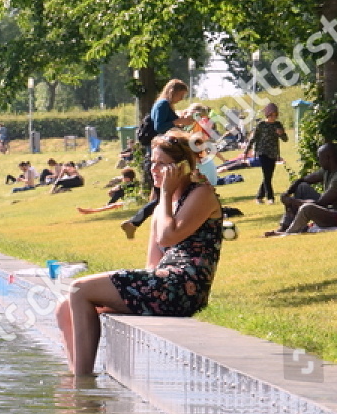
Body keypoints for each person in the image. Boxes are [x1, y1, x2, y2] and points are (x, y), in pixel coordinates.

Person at [57, 131, 223, 376]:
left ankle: (82, 383)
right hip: (163, 284)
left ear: (183, 167)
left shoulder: (201, 194)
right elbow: (153, 265)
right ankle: (77, 376)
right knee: (64, 307)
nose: (154, 169)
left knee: (79, 289)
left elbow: (169, 236)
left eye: (162, 164)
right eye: (152, 163)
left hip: (184, 289)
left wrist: (165, 193)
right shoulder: (162, 207)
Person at [122, 79, 192, 239]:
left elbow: (168, 126)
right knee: (162, 196)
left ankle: (136, 223)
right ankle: (133, 223)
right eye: (181, 95)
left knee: (160, 196)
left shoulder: (163, 105)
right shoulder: (162, 105)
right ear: (173, 92)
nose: (181, 99)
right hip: (161, 156)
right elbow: (160, 127)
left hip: (161, 155)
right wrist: (178, 121)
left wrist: (181, 123)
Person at [266, 142, 337, 236]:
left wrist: (292, 201)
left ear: (328, 158)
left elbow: (321, 203)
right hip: (329, 209)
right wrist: (288, 192)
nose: (318, 161)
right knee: (302, 187)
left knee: (307, 208)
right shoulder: (328, 170)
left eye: (320, 158)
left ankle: (287, 233)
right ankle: (285, 226)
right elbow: (303, 180)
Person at [244, 103, 288, 204]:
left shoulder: (278, 125)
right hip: (262, 152)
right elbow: (253, 138)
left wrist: (281, 134)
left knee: (268, 176)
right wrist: (246, 151)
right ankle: (270, 198)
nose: (274, 117)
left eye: (275, 115)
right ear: (267, 115)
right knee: (266, 174)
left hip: (273, 153)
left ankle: (259, 196)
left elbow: (285, 139)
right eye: (272, 115)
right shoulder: (261, 125)